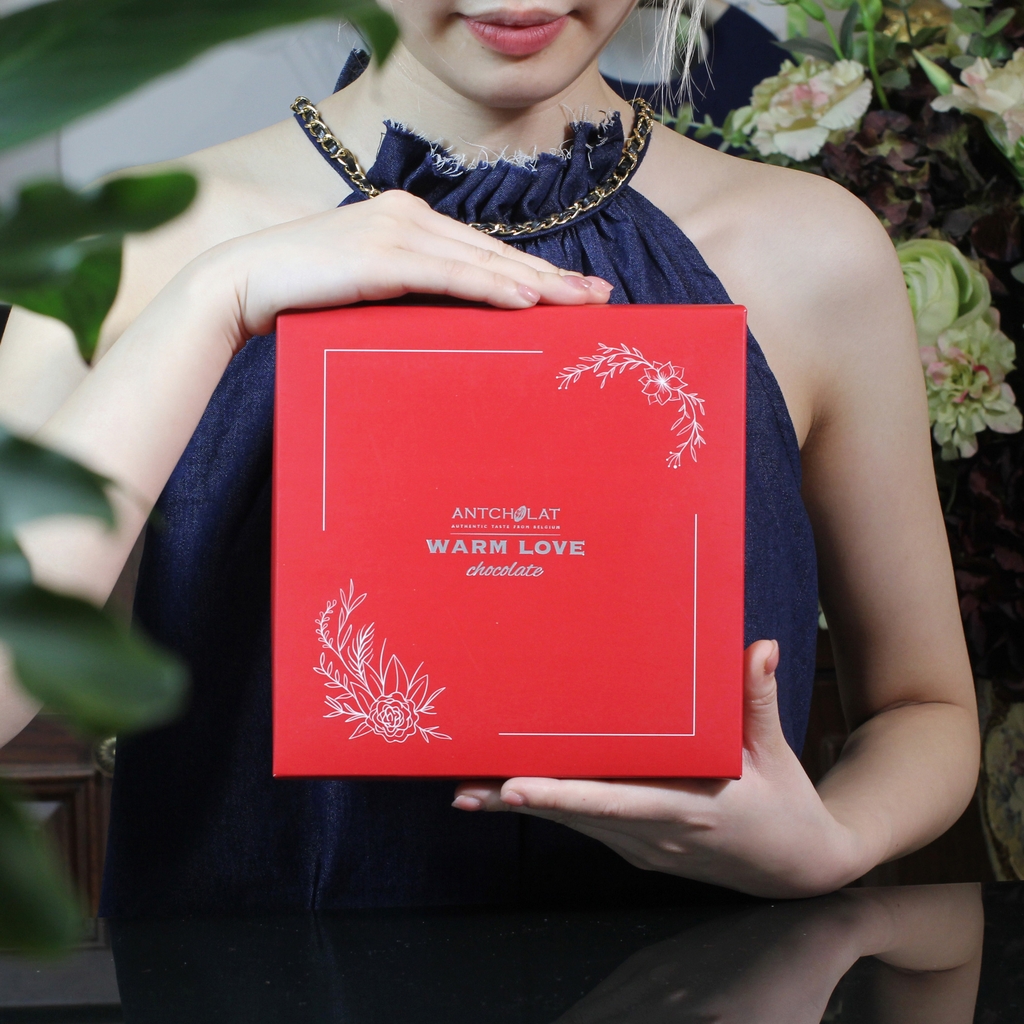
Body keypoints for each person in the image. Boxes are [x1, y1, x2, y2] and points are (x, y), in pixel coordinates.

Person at [0, 1, 979, 914]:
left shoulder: (810, 252)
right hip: (256, 983)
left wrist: (832, 843)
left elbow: (924, 705)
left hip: (701, 979)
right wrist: (213, 296)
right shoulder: (123, 248)